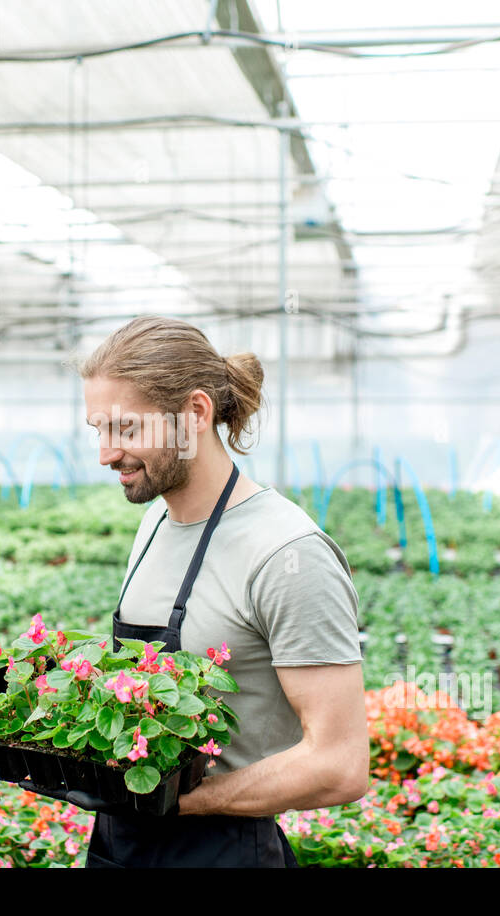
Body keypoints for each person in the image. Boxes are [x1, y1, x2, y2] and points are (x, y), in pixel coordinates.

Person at [73, 315, 369, 867]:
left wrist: (180, 803)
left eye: (126, 429)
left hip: (222, 849)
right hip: (120, 843)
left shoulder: (288, 554)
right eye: (98, 430)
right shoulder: (155, 523)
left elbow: (339, 764)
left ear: (196, 413)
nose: (106, 454)